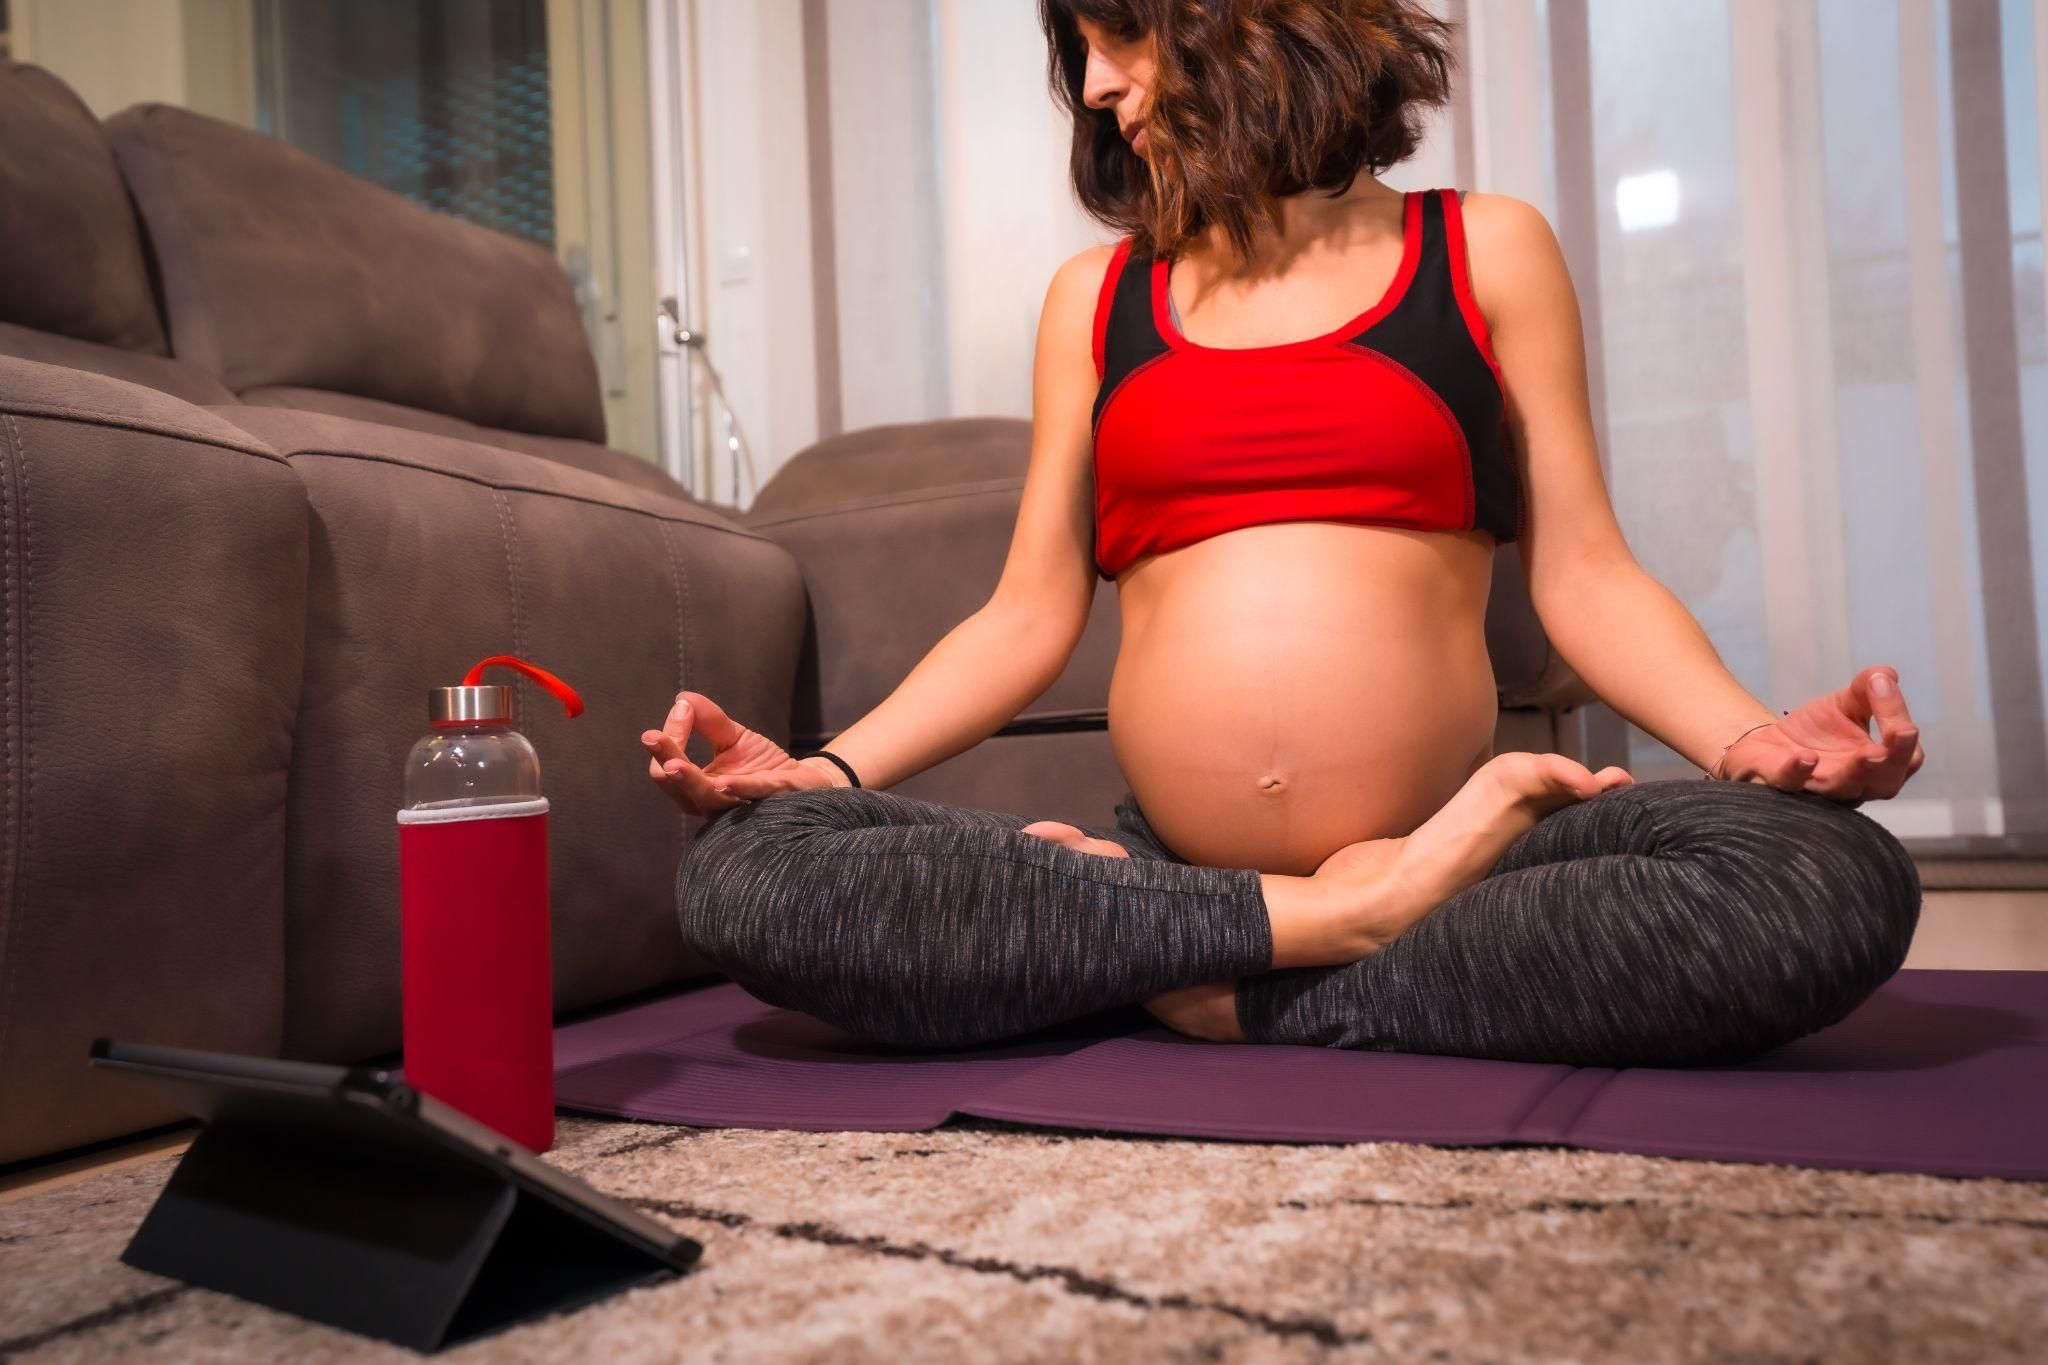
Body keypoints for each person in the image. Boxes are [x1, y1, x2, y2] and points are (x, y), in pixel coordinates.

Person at [637, 0, 1925, 1068]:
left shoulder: (1482, 251)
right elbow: (1027, 616)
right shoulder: (1095, 301)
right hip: (1181, 858)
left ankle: (1195, 976)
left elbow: (1586, 574)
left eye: (1123, 33)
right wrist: (826, 778)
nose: (1093, 84)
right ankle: (1322, 929)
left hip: (1453, 859)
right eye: (1077, 49)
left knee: (1829, 883)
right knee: (748, 874)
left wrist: (1754, 746)